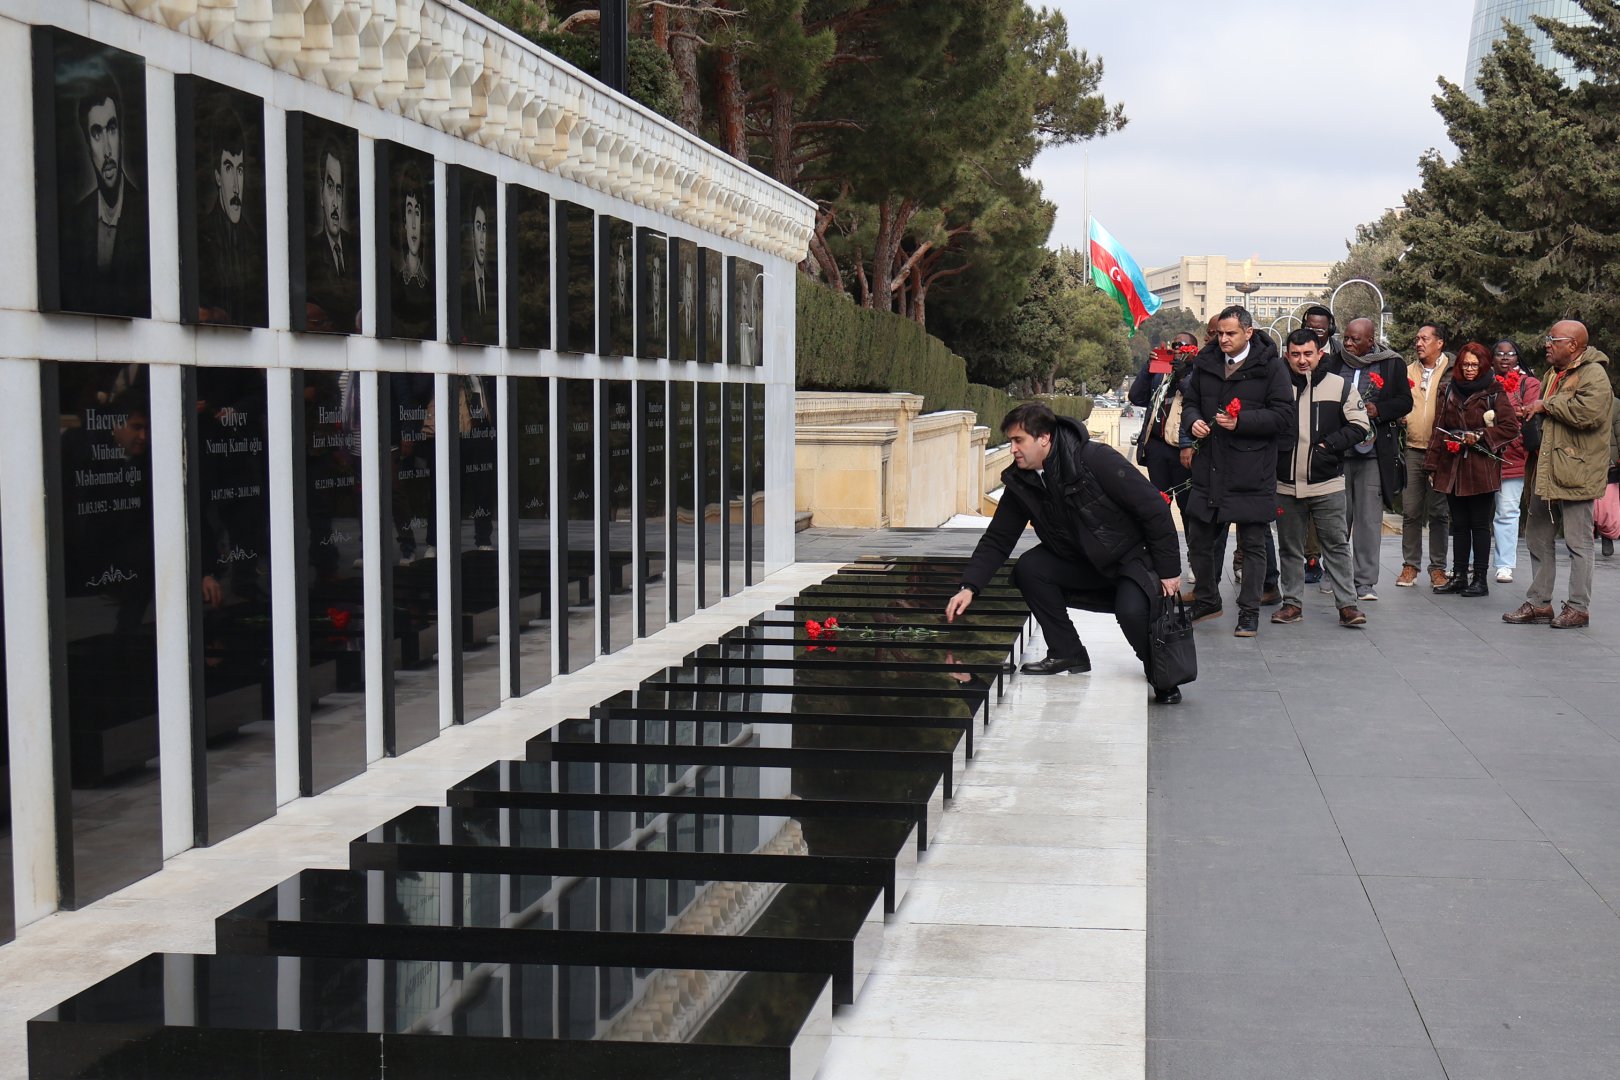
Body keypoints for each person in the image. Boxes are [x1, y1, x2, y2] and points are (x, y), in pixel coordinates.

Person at [945, 403, 1185, 703]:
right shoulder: (1022, 480)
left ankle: (1162, 675)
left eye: (1018, 440)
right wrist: (970, 586)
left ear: (1043, 438)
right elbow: (998, 538)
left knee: (1131, 612)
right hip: (1082, 564)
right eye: (1010, 441)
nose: (1012, 449)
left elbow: (1153, 508)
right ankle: (1067, 652)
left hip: (1129, 561)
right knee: (1030, 568)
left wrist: (1168, 571)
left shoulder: (1094, 460)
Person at [1179, 305, 1294, 638]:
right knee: (1199, 539)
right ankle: (1207, 600)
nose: (1223, 339)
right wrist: (1193, 422)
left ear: (1248, 332)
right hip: (1210, 469)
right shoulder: (1206, 363)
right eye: (1219, 333)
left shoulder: (1271, 367)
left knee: (1253, 543)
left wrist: (1242, 422)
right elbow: (1190, 402)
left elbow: (1283, 416)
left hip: (1251, 470)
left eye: (1231, 333)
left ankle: (1249, 611)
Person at [1505, 320, 1613, 628]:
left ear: (1574, 346)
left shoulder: (1594, 374)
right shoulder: (1554, 373)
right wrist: (1531, 412)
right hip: (1546, 468)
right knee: (1538, 537)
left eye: (1554, 340)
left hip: (1577, 471)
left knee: (1578, 544)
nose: (1547, 344)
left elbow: (1588, 414)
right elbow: (1551, 414)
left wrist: (1545, 405)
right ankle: (1540, 602)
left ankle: (1578, 606)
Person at [1271, 329, 1370, 627]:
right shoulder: (1275, 387)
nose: (1302, 360)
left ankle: (1348, 606)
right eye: (1296, 354)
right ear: (1287, 355)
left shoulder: (1340, 387)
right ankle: (1291, 604)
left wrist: (1329, 446)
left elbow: (1360, 425)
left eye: (1308, 354)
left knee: (1336, 545)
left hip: (1327, 483)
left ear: (1319, 354)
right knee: (1289, 547)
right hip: (1284, 484)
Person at [1323, 317, 1412, 600]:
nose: (1348, 343)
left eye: (1355, 340)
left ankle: (1364, 582)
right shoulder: (1335, 362)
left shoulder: (1391, 363)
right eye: (1346, 338)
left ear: (1371, 340)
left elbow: (1404, 401)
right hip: (1339, 452)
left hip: (1373, 454)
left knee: (1368, 520)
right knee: (1337, 517)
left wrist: (1379, 410)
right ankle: (1333, 573)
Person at [1424, 342, 1521, 596]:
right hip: (1452, 466)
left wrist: (1479, 435)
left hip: (1481, 468)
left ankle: (1480, 579)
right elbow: (1438, 428)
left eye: (1474, 365)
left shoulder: (1494, 390)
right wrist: (1431, 465)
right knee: (1459, 523)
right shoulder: (1449, 390)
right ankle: (1458, 576)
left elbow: (1510, 427)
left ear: (1484, 365)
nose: (1469, 369)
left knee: (1479, 524)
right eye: (1465, 364)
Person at [61, 65, 148, 317]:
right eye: (97, 134)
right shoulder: (75, 224)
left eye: (111, 129)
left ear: (120, 133)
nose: (108, 150)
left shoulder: (144, 214)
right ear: (88, 144)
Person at [1397, 322, 1452, 588]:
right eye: (1417, 338)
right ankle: (1410, 566)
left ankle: (1438, 568)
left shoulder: (1452, 371)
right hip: (1413, 450)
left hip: (1442, 452)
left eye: (1425, 339)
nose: (1418, 343)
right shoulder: (1407, 371)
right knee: (1411, 511)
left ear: (1439, 343)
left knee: (1440, 512)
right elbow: (1398, 402)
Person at [196, 113, 264, 326]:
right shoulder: (201, 236)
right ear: (217, 176)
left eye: (240, 170)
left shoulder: (254, 240)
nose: (235, 185)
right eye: (228, 169)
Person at [1489, 339, 1541, 582]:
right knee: (1476, 513)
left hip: (1515, 456)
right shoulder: (1483, 381)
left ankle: (1504, 564)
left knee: (1508, 512)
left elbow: (1530, 411)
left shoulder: (1528, 383)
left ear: (1517, 357)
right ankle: (1468, 563)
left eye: (1510, 354)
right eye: (1500, 354)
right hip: (1484, 455)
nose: (1505, 358)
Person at [305, 138, 360, 333]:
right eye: (330, 187)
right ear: (321, 192)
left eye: (339, 189)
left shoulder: (356, 248)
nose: (335, 202)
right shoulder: (309, 251)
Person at [460, 201, 496, 344]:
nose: (481, 238)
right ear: (472, 236)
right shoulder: (463, 283)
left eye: (484, 229)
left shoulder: (494, 283)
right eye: (478, 227)